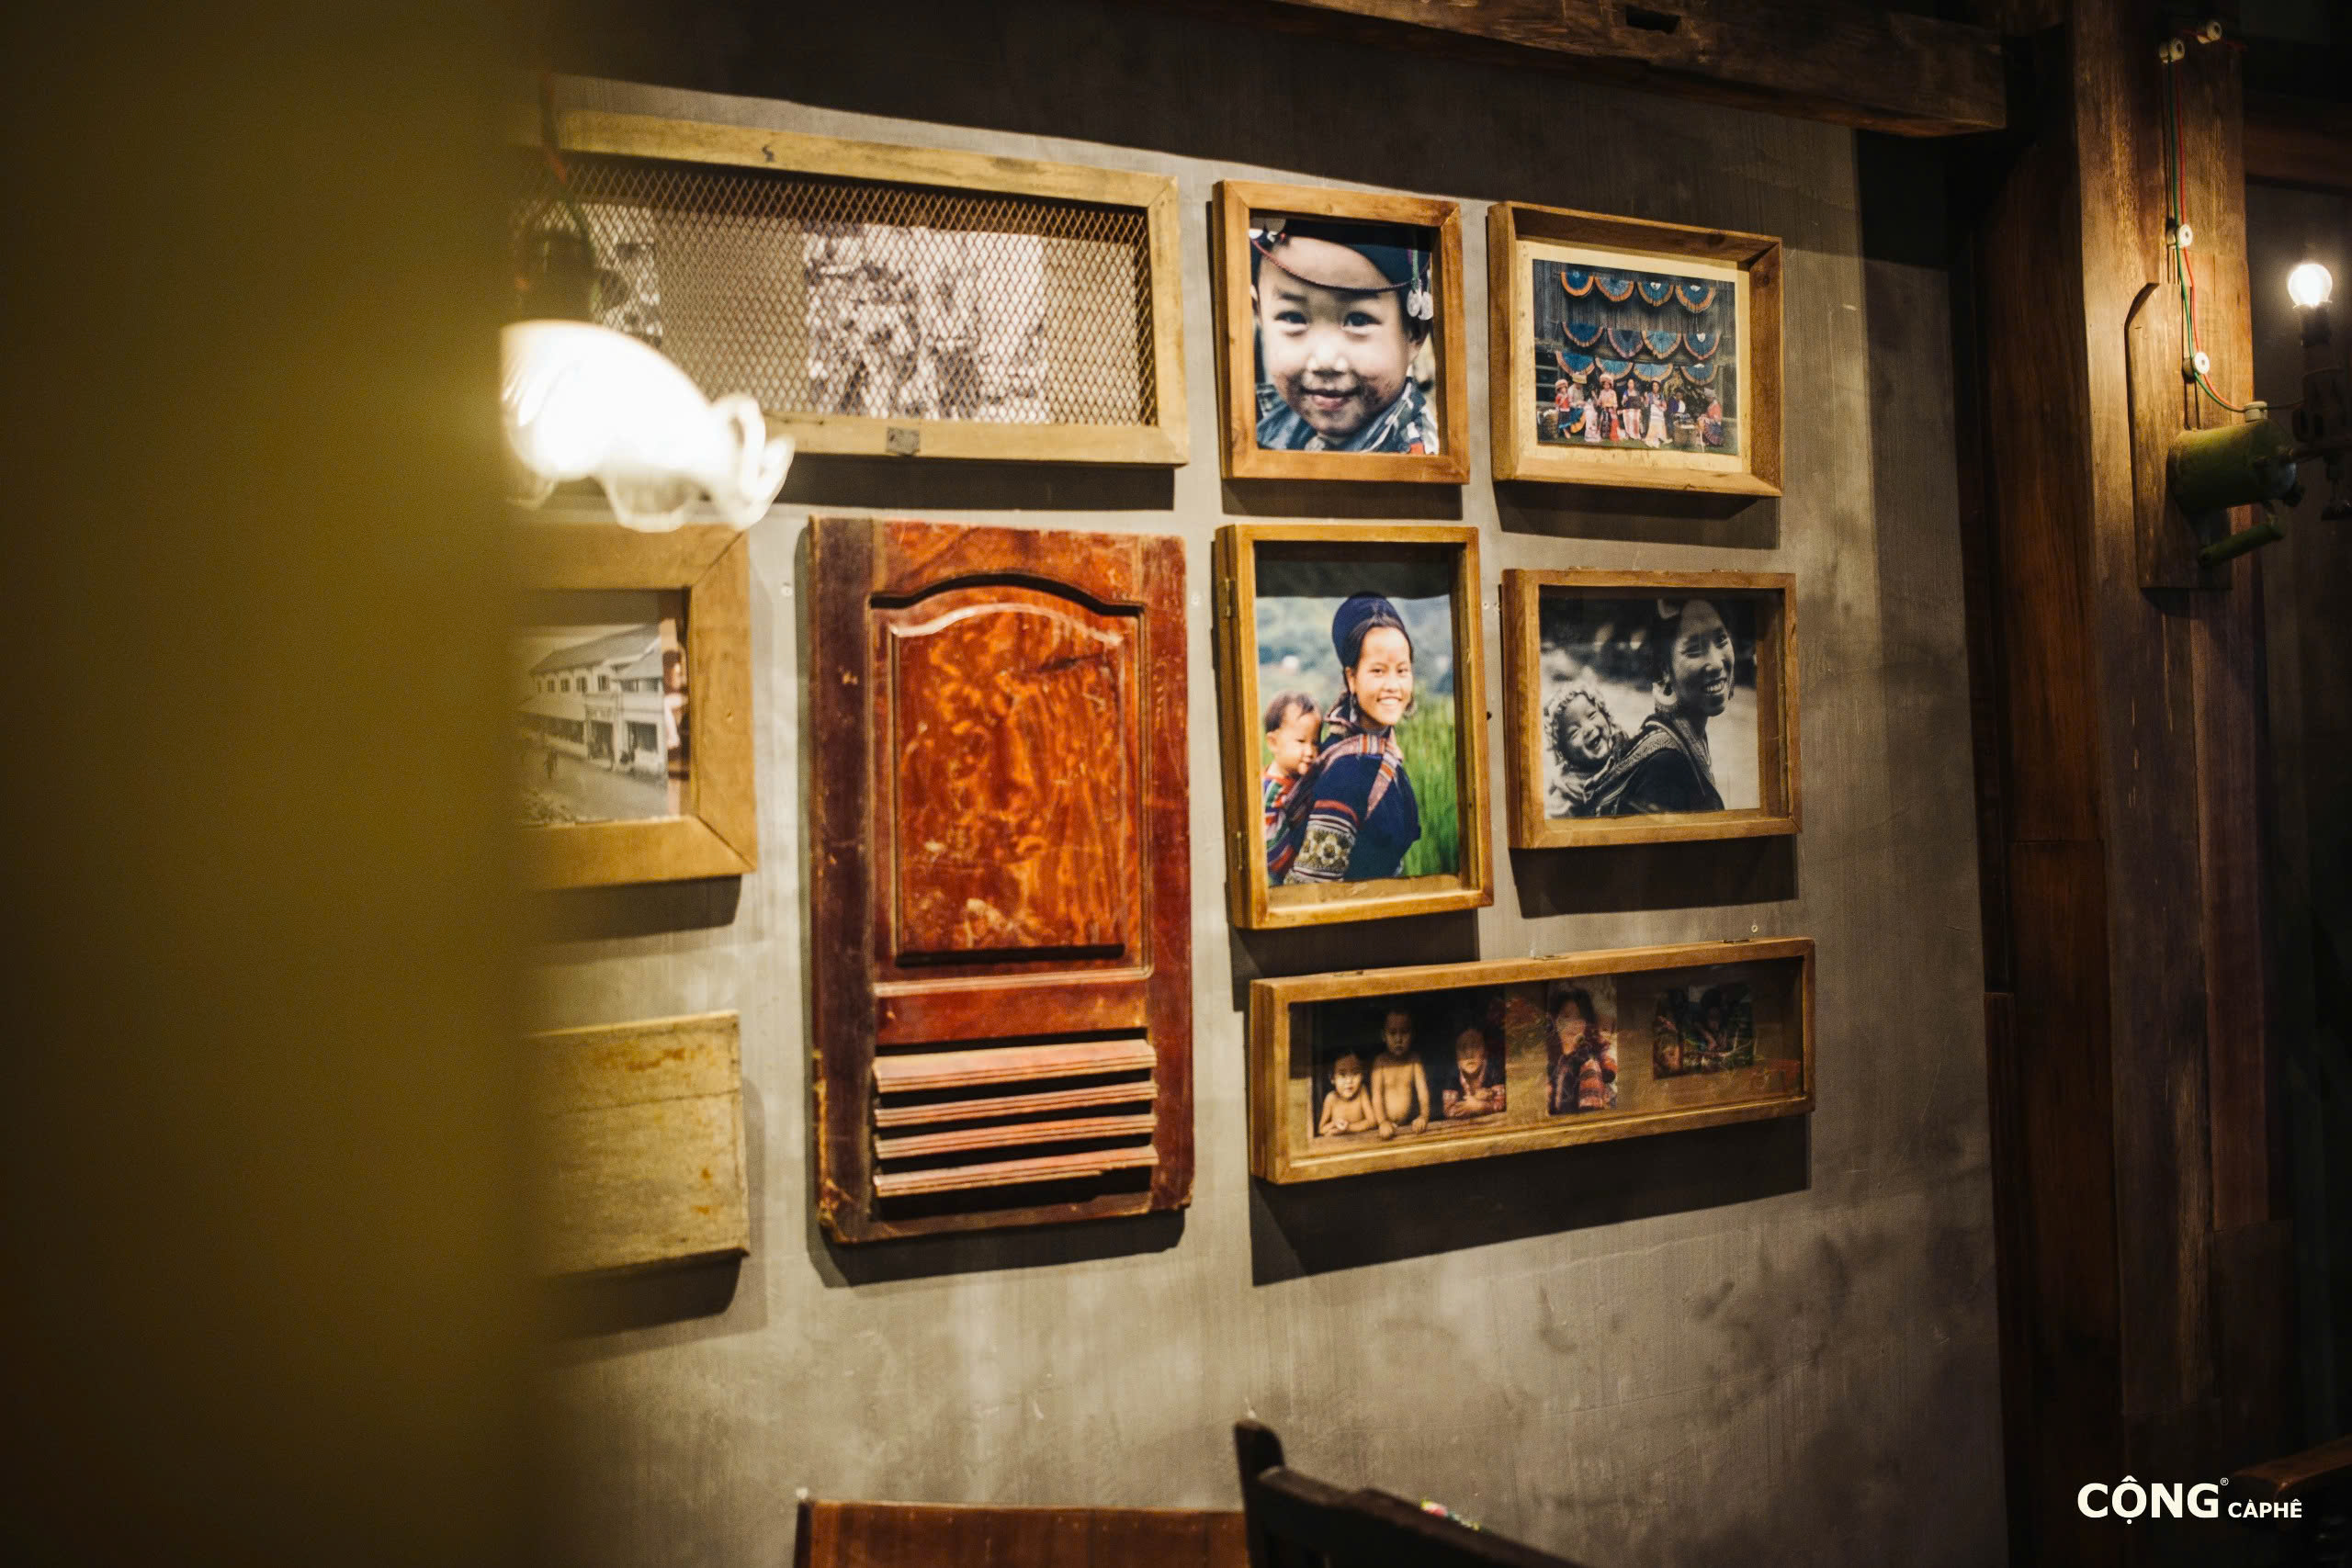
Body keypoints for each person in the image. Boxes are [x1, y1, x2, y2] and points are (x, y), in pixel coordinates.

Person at [1267, 594, 1423, 885]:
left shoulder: (1375, 747)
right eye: (1378, 671)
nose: (1393, 685)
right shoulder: (1347, 774)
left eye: (1402, 670)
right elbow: (1314, 891)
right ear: (1352, 678)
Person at [1250, 220, 1440, 455]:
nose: (1325, 360)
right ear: (1259, 314)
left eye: (1358, 320)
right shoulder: (1253, 421)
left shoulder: (1417, 460)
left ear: (1414, 332)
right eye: (1293, 317)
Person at [1586, 599, 1735, 817]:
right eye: (1694, 649)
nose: (1717, 663)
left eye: (1721, 640)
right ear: (1665, 669)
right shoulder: (1665, 767)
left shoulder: (1684, 738)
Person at [1543, 678, 1629, 818]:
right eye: (1574, 732)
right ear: (1564, 753)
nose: (1588, 729)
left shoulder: (1627, 749)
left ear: (1606, 716)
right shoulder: (1568, 793)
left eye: (1592, 715)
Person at [1544, 984, 1617, 1113]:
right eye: (1566, 1016)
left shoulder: (1588, 1064)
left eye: (1579, 1017)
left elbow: (1591, 1115)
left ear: (1586, 1023)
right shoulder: (1549, 1059)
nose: (1573, 1024)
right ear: (1555, 1020)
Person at [1260, 690, 1320, 829]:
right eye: (1301, 741)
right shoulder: (1269, 793)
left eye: (1315, 743)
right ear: (1273, 743)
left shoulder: (1303, 779)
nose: (1310, 751)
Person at [1440, 1019, 1506, 1120]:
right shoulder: (1453, 1075)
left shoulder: (1493, 1070)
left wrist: (1479, 1106)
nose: (1469, 1054)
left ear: (1485, 1050)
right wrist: (1473, 1102)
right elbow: (1448, 1110)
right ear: (1456, 1054)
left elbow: (1501, 1103)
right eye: (1463, 1048)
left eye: (1475, 1046)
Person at [1317, 1051, 1377, 1135]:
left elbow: (1372, 1121)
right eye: (1342, 1075)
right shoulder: (1331, 1098)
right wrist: (1334, 1123)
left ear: (1362, 1075)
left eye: (1355, 1073)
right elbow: (1321, 1129)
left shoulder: (1362, 1092)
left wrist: (1348, 1128)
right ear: (1332, 1078)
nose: (1349, 1081)